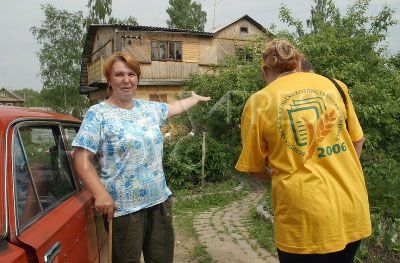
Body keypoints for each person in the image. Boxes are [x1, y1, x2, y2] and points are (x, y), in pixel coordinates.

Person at [235, 39, 371, 263]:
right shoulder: (335, 86)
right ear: (297, 63)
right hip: (351, 207)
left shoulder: (259, 102)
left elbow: (255, 169)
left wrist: (283, 177)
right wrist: (342, 170)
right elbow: (358, 140)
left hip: (304, 219)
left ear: (264, 71)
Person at [72, 51, 210, 263]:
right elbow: (81, 158)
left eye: (131, 74)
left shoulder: (149, 108)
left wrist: (193, 99)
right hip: (124, 210)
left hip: (159, 201)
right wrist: (100, 194)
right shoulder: (98, 114)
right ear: (109, 79)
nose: (126, 80)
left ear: (137, 78)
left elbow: (175, 108)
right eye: (119, 75)